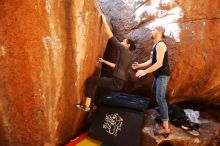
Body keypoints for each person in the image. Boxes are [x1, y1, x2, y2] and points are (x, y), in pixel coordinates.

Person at [75, 14, 136, 112]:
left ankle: (86, 106)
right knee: (100, 89)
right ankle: (93, 107)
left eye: (124, 41)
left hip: (116, 81)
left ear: (127, 45)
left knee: (91, 81)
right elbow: (116, 66)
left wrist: (103, 21)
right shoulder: (128, 56)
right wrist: (104, 61)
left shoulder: (124, 50)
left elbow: (111, 37)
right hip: (119, 83)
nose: (121, 42)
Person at [132, 26, 171, 135]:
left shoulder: (161, 45)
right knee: (155, 91)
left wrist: (144, 72)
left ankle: (166, 127)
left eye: (153, 30)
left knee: (160, 98)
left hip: (163, 75)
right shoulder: (155, 45)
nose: (151, 31)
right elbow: (151, 60)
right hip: (158, 76)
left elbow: (158, 63)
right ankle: (164, 113)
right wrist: (140, 65)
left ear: (159, 32)